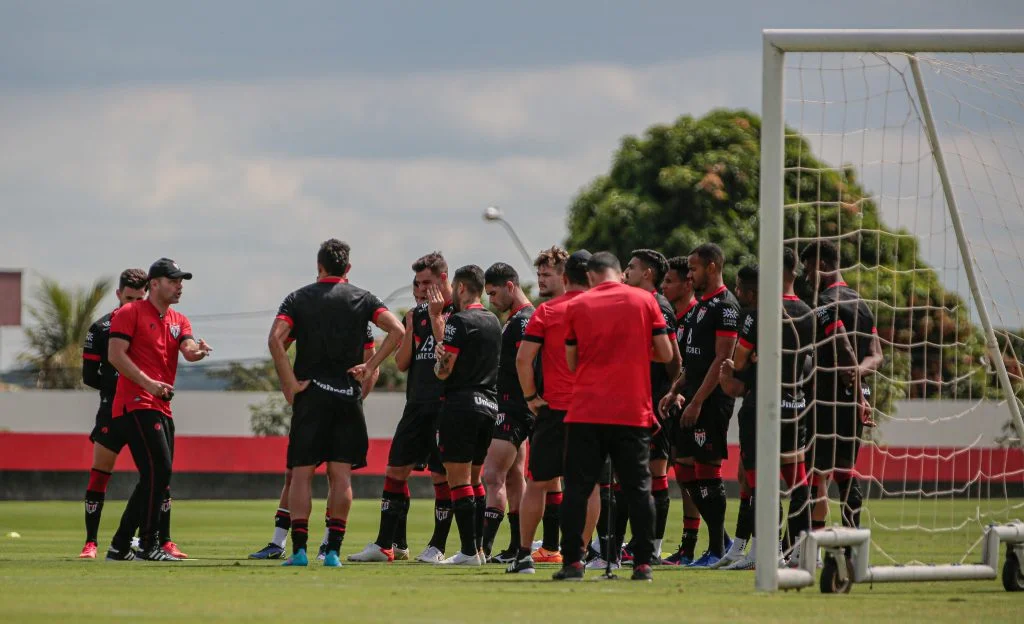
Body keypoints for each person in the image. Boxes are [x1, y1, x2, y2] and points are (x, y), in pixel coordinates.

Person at [271, 239, 405, 568]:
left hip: (311, 396)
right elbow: (398, 330)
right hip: (347, 396)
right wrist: (370, 368)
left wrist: (289, 383)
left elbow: (276, 339)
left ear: (319, 268)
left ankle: (300, 551)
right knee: (340, 476)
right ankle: (332, 551)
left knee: (301, 475)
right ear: (347, 269)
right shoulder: (363, 298)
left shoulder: (298, 298)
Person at [555, 251, 675, 582]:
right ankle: (642, 564)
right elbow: (665, 353)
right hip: (632, 411)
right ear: (616, 272)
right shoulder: (644, 301)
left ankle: (573, 563)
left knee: (578, 489)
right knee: (639, 489)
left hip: (586, 410)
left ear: (591, 276)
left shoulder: (577, 305)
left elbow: (571, 361)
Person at [348, 253, 457, 564]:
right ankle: (388, 544)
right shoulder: (417, 315)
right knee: (395, 471)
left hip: (443, 406)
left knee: (441, 477)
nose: (421, 289)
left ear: (443, 279)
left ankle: (437, 546)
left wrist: (436, 318)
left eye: (427, 283)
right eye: (418, 284)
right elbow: (402, 362)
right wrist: (410, 326)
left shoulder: (456, 313)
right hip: (416, 405)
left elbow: (446, 356)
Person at [105, 258, 212, 562]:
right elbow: (115, 355)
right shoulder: (130, 312)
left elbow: (188, 349)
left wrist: (199, 352)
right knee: (159, 471)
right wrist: (147, 382)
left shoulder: (179, 319)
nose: (180, 286)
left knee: (156, 476)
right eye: (173, 280)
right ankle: (148, 544)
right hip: (136, 403)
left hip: (160, 406)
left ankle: (120, 544)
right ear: (154, 284)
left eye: (181, 281)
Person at [247, 320, 379, 561]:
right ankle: (278, 542)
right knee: (294, 475)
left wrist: (356, 401)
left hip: (341, 410)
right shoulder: (310, 312)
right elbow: (279, 348)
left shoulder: (357, 318)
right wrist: (291, 389)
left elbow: (373, 365)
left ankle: (328, 545)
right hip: (312, 410)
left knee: (336, 474)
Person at [505, 248, 588, 574]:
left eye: (547, 274)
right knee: (586, 486)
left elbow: (523, 359)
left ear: (565, 276)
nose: (541, 280)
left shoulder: (547, 312)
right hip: (588, 410)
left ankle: (524, 555)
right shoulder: (596, 308)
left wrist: (530, 397)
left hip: (552, 408)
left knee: (538, 482)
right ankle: (579, 557)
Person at [659, 243, 739, 568]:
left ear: (712, 266)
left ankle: (717, 548)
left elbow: (722, 358)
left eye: (693, 268)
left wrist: (696, 402)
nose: (689, 274)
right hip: (690, 398)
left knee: (707, 470)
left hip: (711, 401)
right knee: (685, 467)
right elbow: (692, 361)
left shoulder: (726, 307)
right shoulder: (698, 308)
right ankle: (721, 540)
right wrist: (675, 389)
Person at [800, 241, 883, 540]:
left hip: (828, 395)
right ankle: (853, 540)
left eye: (808, 268)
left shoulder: (825, 301)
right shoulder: (861, 303)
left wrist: (855, 386)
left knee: (815, 473)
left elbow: (842, 343)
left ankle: (810, 545)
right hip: (853, 396)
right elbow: (877, 355)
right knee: (845, 471)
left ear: (821, 265)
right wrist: (860, 380)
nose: (807, 276)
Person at [431, 265, 502, 566]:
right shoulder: (494, 321)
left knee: (457, 480)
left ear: (460, 288)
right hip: (489, 406)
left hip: (461, 406)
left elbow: (445, 369)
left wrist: (438, 361)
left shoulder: (458, 321)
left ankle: (468, 551)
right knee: (475, 479)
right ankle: (481, 548)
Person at [78, 268, 149, 559]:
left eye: (139, 298)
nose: (133, 303)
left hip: (144, 410)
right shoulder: (101, 328)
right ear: (118, 294)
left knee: (156, 476)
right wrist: (115, 390)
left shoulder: (151, 326)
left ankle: (152, 540)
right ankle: (90, 542)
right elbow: (88, 376)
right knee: (99, 476)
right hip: (111, 413)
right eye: (128, 297)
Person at [620, 249, 681, 564]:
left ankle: (653, 548)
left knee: (655, 473)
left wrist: (669, 394)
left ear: (646, 273)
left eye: (631, 267)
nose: (625, 272)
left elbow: (674, 358)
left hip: (654, 404)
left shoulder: (659, 306)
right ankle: (634, 544)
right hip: (638, 400)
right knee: (633, 474)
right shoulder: (640, 303)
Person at [479, 262, 534, 562]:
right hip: (515, 405)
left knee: (492, 475)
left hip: (515, 407)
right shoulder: (516, 320)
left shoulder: (524, 321)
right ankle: (516, 547)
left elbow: (531, 364)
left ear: (510, 287)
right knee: (514, 478)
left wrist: (531, 399)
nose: (491, 300)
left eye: (494, 293)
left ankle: (481, 549)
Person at [658, 257, 703, 565]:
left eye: (670, 281)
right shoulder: (675, 316)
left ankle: (694, 544)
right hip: (671, 404)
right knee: (678, 473)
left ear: (688, 283)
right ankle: (687, 546)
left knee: (693, 475)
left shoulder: (699, 315)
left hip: (692, 406)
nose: (664, 287)